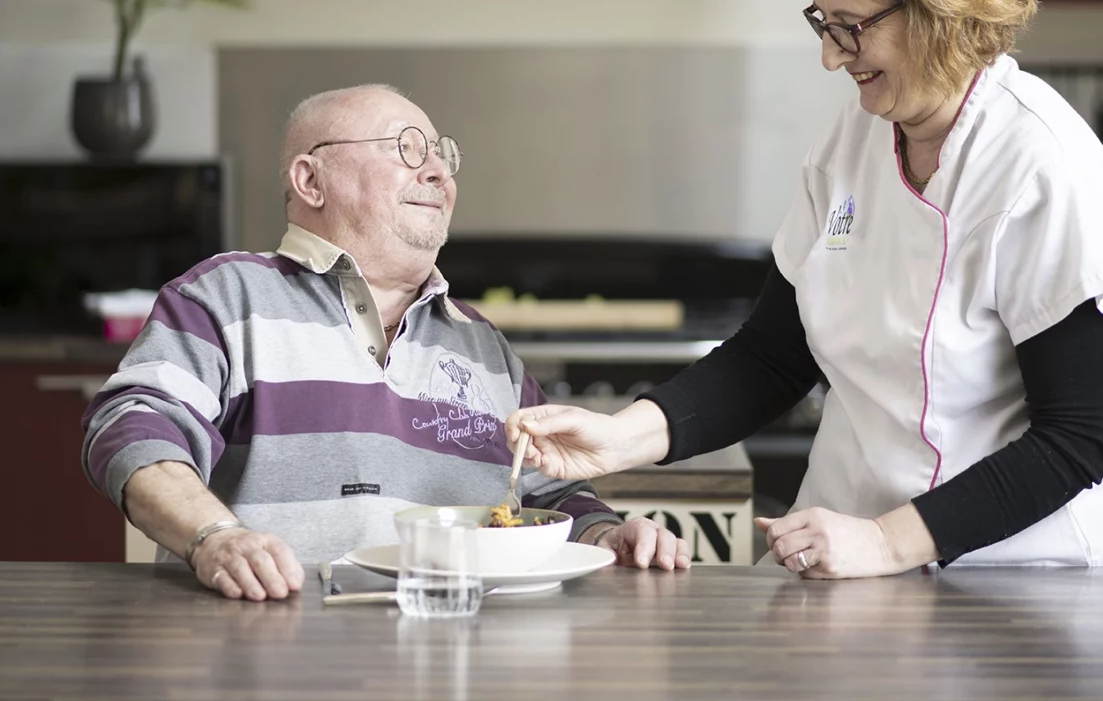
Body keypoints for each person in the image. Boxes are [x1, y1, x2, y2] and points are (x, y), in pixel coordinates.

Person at [506, 0, 1103, 577]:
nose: (833, 57)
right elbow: (773, 355)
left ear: (936, 8)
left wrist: (887, 540)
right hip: (844, 570)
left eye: (853, 26)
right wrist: (622, 438)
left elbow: (1079, 437)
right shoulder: (856, 140)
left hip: (1014, 584)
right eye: (823, 23)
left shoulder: (1044, 165)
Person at [81, 85, 689, 601]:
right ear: (310, 180)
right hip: (269, 657)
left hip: (461, 662)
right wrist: (213, 535)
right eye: (407, 149)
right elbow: (133, 426)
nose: (438, 173)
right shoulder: (226, 296)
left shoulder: (483, 344)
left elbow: (547, 494)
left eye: (443, 156)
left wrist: (606, 534)